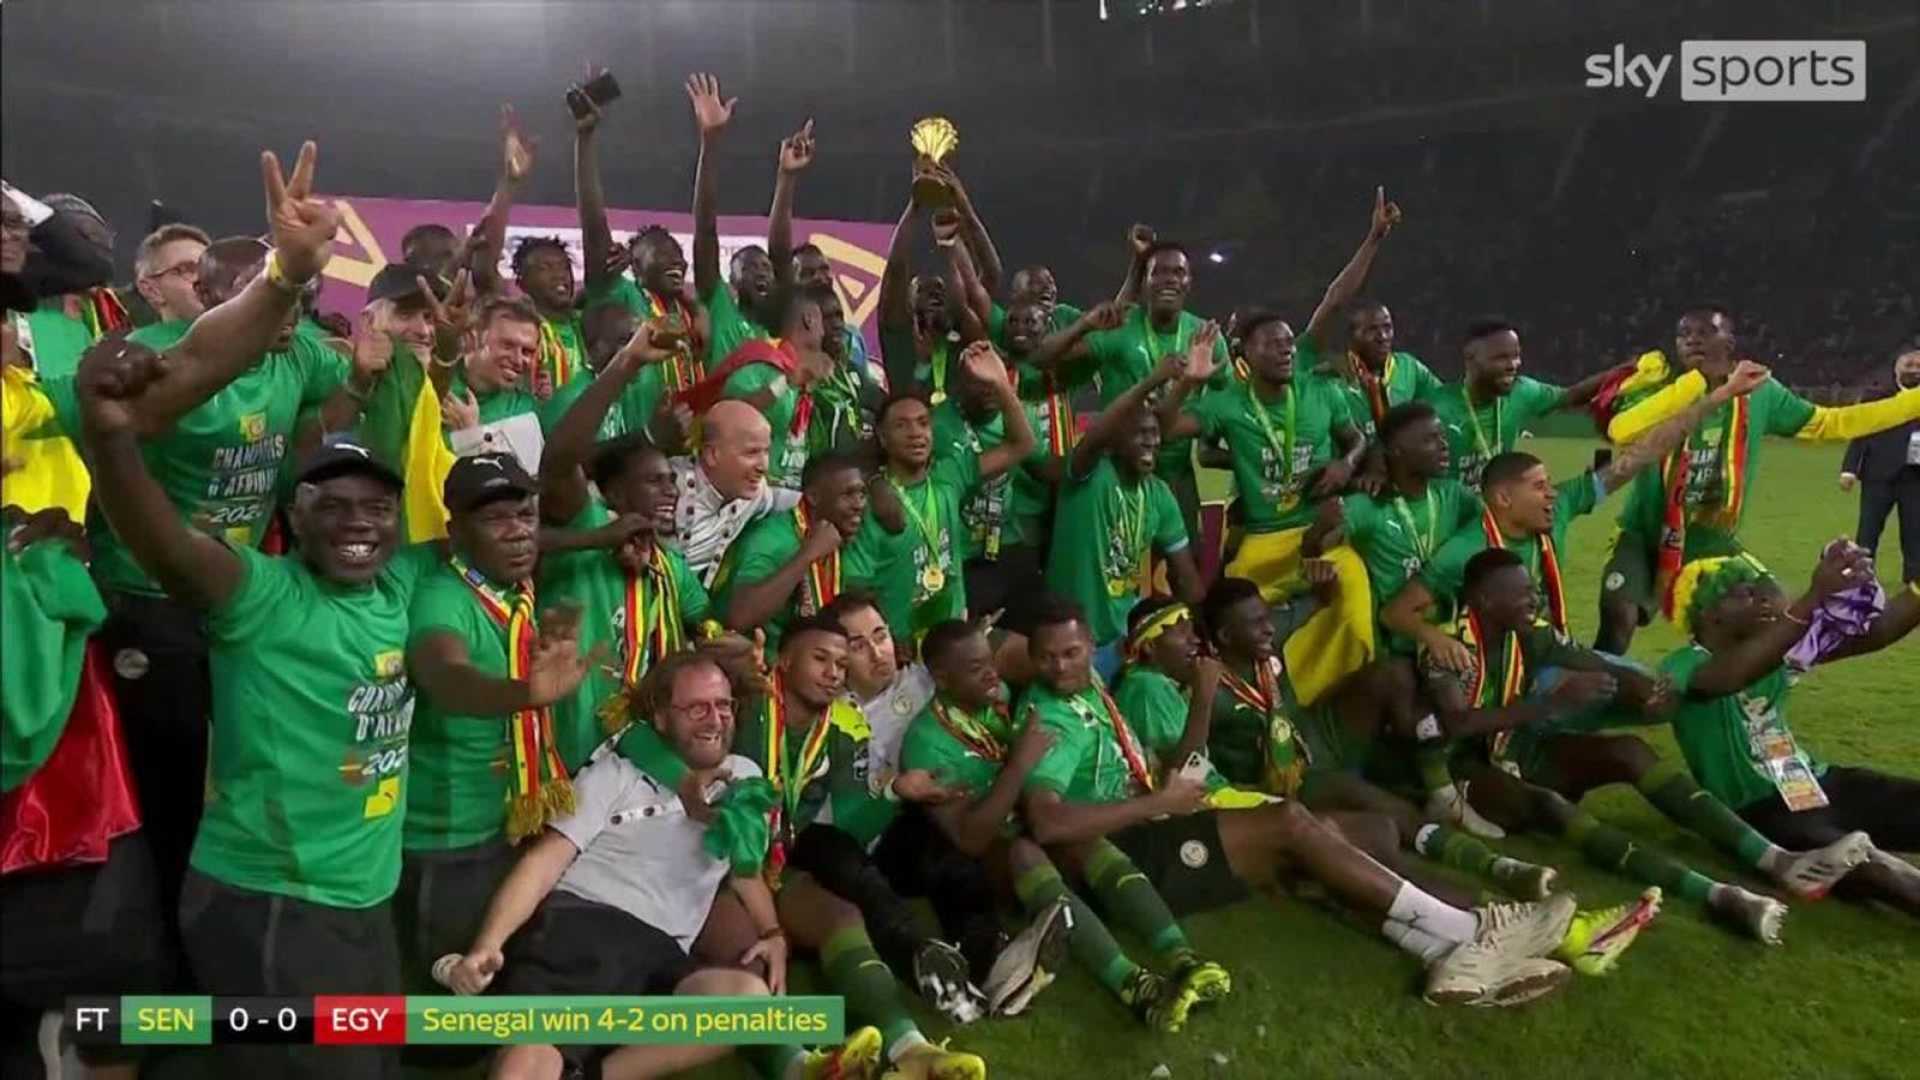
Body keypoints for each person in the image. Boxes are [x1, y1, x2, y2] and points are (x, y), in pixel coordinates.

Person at [1016, 596, 1582, 1008]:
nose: (1060, 666)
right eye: (1047, 658)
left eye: (1072, 652)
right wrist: (1157, 801)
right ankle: (1470, 932)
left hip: (1159, 821)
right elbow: (1046, 822)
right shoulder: (1053, 721)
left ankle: (1451, 960)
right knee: (1291, 823)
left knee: (1329, 845)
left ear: (1093, 647)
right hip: (1132, 852)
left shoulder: (1089, 688)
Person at [441, 650, 885, 1080]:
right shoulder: (617, 773)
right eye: (696, 708)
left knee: (746, 1001)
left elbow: (743, 869)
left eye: (723, 705)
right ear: (660, 719)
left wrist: (772, 934)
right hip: (583, 929)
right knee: (531, 1057)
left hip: (662, 951)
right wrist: (488, 945)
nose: (714, 719)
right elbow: (543, 863)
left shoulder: (743, 778)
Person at [619, 616, 990, 1077]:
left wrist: (895, 792)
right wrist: (685, 783)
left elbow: (851, 822)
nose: (834, 673)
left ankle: (912, 1049)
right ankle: (798, 1066)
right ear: (785, 660)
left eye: (841, 664)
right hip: (710, 866)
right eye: (820, 659)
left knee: (842, 917)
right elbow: (635, 735)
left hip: (773, 863)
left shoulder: (845, 727)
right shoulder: (745, 702)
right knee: (749, 951)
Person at [1426, 549, 1818, 944]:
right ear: (1485, 600)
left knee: (1628, 751)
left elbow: (1585, 658)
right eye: (1522, 593)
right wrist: (1551, 704)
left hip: (1516, 747)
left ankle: (1775, 859)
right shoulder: (1449, 647)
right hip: (1465, 767)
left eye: (1533, 590)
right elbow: (1458, 725)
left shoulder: (1529, 631)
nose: (1535, 600)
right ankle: (1719, 895)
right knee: (1550, 807)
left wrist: (1641, 686)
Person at [1193, 577, 1565, 904]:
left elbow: (1321, 597)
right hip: (1289, 780)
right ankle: (1496, 870)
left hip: (1320, 737)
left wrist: (1319, 574)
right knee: (1386, 810)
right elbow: (1189, 759)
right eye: (1256, 623)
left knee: (1392, 674)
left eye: (1266, 617)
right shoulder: (1211, 691)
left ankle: (1428, 772)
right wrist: (1202, 698)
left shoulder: (1267, 637)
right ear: (1225, 637)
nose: (1268, 629)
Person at [1594, 305, 1920, 654]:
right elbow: (1622, 431)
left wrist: (1912, 404)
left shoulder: (1760, 392)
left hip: (1713, 540)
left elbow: (1827, 422)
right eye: (1684, 334)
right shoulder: (1662, 390)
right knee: (1618, 618)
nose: (1692, 340)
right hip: (1644, 533)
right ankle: (1598, 684)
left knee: (1776, 613)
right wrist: (1689, 388)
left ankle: (1723, 681)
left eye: (1705, 332)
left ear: (1730, 342)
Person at [398, 454, 595, 1006]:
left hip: (503, 824)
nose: (518, 532)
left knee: (488, 983)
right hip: (443, 843)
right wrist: (525, 693)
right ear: (456, 531)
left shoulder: (516, 589)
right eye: (495, 519)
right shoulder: (443, 598)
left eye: (525, 515)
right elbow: (445, 676)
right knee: (439, 1007)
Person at [1388, 362, 1773, 644]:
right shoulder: (1468, 547)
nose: (1551, 493)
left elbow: (1635, 459)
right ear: (1504, 498)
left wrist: (1719, 396)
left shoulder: (1561, 507)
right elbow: (1397, 612)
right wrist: (1438, 642)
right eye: (1539, 487)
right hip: (1494, 662)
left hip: (1546, 648)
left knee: (1642, 688)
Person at [1, 506, 173, 1080]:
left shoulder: (40, 555)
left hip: (76, 845)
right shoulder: (49, 566)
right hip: (87, 835)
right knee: (116, 1014)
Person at [1659, 548, 1920, 916]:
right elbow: (1727, 678)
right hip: (1760, 812)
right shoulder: (1683, 665)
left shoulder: (1780, 646)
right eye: (1746, 593)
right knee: (1874, 870)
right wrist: (1813, 598)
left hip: (1810, 783)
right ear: (1709, 614)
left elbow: (1878, 632)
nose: (1763, 598)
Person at [539, 343, 720, 770]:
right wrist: (627, 363)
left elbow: (706, 624)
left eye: (672, 481)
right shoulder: (585, 522)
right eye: (654, 482)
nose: (670, 491)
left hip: (637, 759)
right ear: (616, 493)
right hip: (564, 757)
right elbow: (559, 459)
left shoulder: (669, 565)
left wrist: (727, 644)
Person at [1156, 311, 1366, 602]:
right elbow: (1166, 431)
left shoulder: (1322, 391)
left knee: (1350, 601)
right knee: (1239, 608)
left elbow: (1356, 438)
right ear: (1247, 353)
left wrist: (1347, 463)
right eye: (1273, 344)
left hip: (1321, 527)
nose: (1286, 350)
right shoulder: (1227, 403)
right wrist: (1188, 381)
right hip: (1264, 536)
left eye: (1289, 342)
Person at [1045, 346, 1203, 680]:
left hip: (1123, 639)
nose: (1151, 441)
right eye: (1140, 433)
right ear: (1113, 442)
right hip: (1076, 644)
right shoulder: (1090, 473)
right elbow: (1098, 432)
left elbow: (1186, 577)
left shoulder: (1159, 494)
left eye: (1155, 434)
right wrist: (1152, 381)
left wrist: (1199, 631)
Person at [871, 343, 1036, 638]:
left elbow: (1021, 445)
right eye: (902, 425)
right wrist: (881, 636)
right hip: (898, 646)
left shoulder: (949, 475)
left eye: (923, 423)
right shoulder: (873, 501)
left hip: (950, 640)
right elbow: (858, 585)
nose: (915, 433)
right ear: (882, 438)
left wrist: (1001, 384)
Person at [1295, 188, 1434, 439]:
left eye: (1387, 327)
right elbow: (1334, 302)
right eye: (1371, 330)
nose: (1383, 336)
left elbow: (1446, 408)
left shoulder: (1409, 369)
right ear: (1351, 336)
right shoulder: (1331, 375)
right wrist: (1374, 239)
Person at [930, 343, 1053, 626]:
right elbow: (1020, 446)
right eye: (979, 381)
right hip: (959, 555)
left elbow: (1041, 465)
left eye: (995, 380)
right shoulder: (938, 426)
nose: (989, 389)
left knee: (1043, 619)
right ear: (958, 384)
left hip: (1003, 541)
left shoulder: (1016, 416)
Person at [1425, 318, 1624, 486]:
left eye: (1516, 356)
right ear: (1470, 357)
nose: (1513, 365)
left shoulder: (1521, 393)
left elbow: (1572, 395)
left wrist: (1626, 371)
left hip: (1498, 512)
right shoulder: (1438, 410)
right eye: (1501, 357)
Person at [713, 450, 871, 657]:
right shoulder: (772, 538)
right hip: (756, 663)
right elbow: (740, 617)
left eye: (862, 494)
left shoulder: (837, 533)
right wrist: (808, 555)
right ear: (813, 497)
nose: (859, 504)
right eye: (848, 495)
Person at [666, 398, 805, 584]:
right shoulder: (667, 487)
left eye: (766, 452)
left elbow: (780, 498)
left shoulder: (750, 490)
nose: (763, 466)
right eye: (751, 452)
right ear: (712, 454)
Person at [1840, 344, 1920, 583]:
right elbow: (1861, 433)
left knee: (1915, 533)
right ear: (1897, 368)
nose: (1915, 370)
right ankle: (1860, 578)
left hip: (1915, 478)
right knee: (1868, 531)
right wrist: (1849, 468)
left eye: (1919, 366)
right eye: (1909, 365)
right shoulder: (1876, 396)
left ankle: (1914, 583)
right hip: (1878, 476)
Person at [440, 296, 545, 470]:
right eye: (507, 346)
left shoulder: (524, 409)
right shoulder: (437, 388)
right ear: (474, 338)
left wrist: (469, 436)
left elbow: (513, 483)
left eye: (527, 351)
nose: (518, 360)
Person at [507, 236, 583, 399]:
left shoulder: (586, 324)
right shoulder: (517, 331)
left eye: (564, 267)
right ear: (522, 283)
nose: (559, 275)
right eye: (545, 268)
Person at [130, 223, 211, 326]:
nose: (205, 277)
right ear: (152, 290)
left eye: (210, 268)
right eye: (187, 269)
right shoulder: (143, 337)